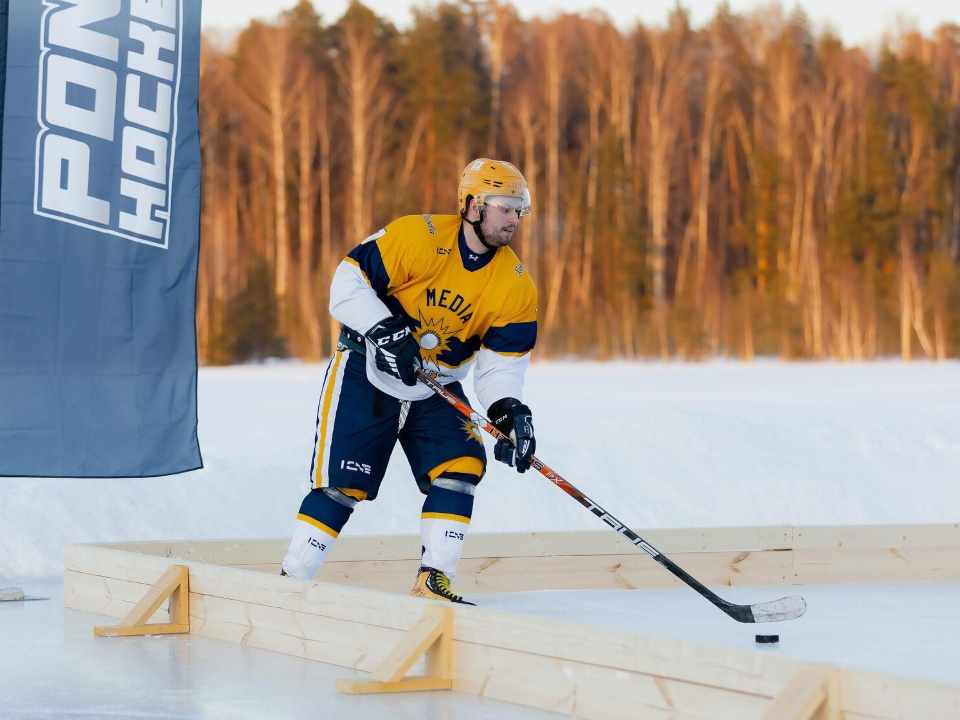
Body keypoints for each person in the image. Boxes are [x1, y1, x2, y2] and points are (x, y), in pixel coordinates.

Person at [280, 159, 539, 604]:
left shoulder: (516, 286)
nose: (514, 218)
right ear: (473, 205)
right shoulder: (416, 236)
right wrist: (384, 329)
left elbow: (501, 365)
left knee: (461, 467)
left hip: (436, 385)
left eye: (520, 208)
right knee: (343, 484)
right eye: (505, 207)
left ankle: (433, 580)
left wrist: (509, 409)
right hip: (368, 369)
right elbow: (346, 283)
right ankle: (292, 580)